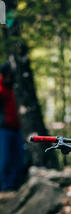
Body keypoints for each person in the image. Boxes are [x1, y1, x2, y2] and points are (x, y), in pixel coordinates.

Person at [0, 62, 24, 191]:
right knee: (5, 158)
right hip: (4, 128)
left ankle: (14, 183)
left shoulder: (14, 87)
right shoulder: (2, 87)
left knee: (18, 157)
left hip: (16, 127)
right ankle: (5, 185)